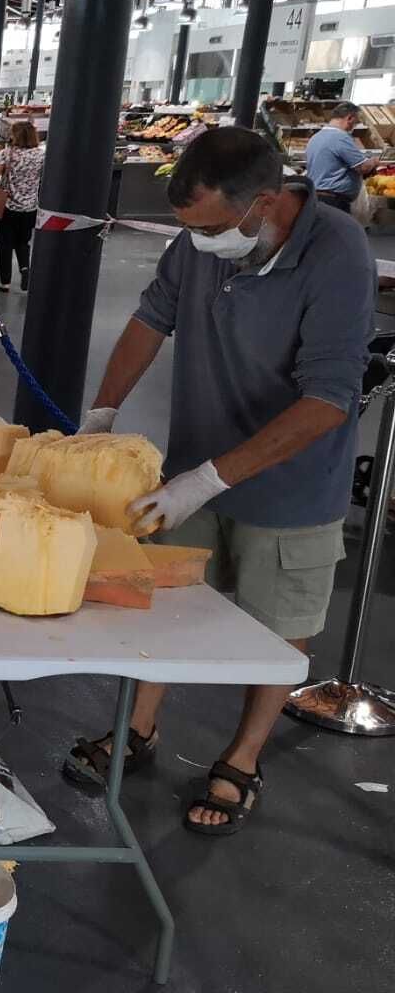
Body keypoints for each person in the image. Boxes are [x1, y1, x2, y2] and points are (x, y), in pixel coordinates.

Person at [64, 127, 373, 835]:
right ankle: (140, 726)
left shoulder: (337, 254)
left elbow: (327, 399)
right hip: (194, 461)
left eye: (207, 227)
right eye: (185, 227)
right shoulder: (199, 241)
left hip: (292, 487)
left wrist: (205, 482)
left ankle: (242, 757)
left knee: (279, 629)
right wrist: (102, 412)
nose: (196, 242)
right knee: (162, 603)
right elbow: (149, 321)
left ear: (265, 203)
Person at [0, 119, 45, 292]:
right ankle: (25, 270)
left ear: (16, 135)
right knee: (23, 242)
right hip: (30, 207)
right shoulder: (40, 155)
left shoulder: (7, 153)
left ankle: (5, 283)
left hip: (8, 206)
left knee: (5, 243)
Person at [304, 101, 378, 214]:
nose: (355, 125)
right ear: (350, 118)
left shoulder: (315, 137)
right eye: (356, 122)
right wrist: (374, 161)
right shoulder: (340, 137)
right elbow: (362, 167)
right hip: (333, 201)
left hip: (315, 197)